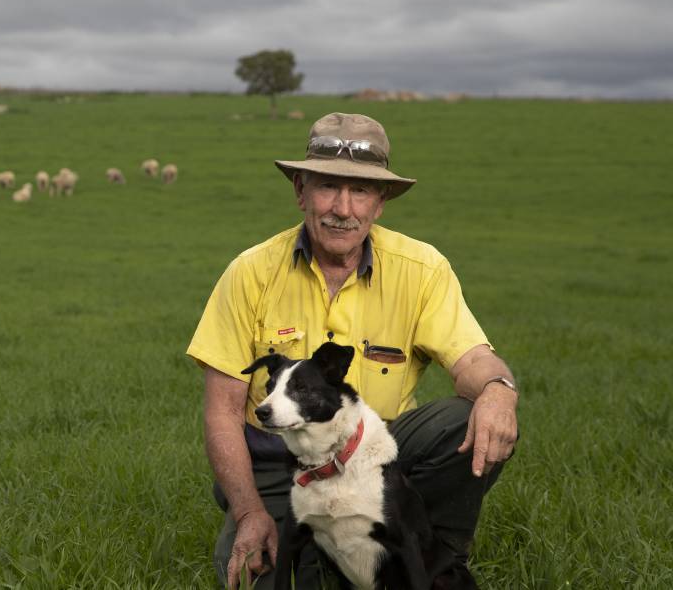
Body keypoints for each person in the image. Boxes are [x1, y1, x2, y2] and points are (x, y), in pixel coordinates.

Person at [186, 113, 518, 589]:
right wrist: (248, 512)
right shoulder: (250, 273)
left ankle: (433, 559)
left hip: (377, 460)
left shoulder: (421, 268)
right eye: (327, 187)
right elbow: (221, 412)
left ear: (380, 202)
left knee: (468, 418)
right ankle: (321, 549)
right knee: (255, 578)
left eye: (360, 191)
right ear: (301, 191)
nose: (343, 208)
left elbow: (472, 360)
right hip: (283, 468)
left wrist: (499, 391)